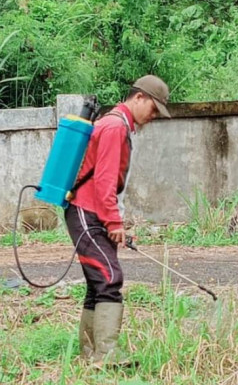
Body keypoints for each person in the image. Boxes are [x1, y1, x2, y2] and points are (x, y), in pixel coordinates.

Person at [64, 75, 171, 366]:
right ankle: (106, 355)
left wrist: (114, 221)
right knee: (110, 278)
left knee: (97, 282)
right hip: (86, 212)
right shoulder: (113, 127)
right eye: (153, 109)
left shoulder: (118, 125)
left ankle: (90, 354)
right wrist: (114, 223)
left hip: (91, 212)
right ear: (139, 98)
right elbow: (105, 181)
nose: (153, 117)